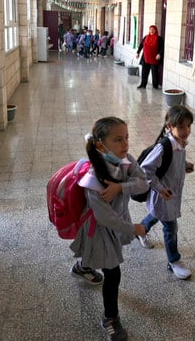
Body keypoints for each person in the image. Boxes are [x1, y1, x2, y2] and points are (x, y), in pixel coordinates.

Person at [69, 117, 149, 341]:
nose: (125, 144)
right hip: (99, 229)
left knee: (101, 258)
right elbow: (104, 218)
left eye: (126, 138)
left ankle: (82, 267)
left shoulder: (126, 160)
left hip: (116, 221)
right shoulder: (94, 178)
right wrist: (133, 228)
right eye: (118, 139)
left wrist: (119, 188)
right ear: (101, 145)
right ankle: (110, 318)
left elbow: (143, 183)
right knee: (113, 272)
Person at [137, 105, 195, 280]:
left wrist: (185, 165)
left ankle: (141, 230)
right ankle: (173, 261)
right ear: (169, 127)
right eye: (181, 126)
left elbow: (174, 161)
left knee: (156, 215)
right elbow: (145, 169)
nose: (186, 131)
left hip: (170, 194)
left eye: (189, 126)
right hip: (162, 194)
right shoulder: (164, 147)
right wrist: (160, 188)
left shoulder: (180, 143)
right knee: (170, 227)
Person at [135, 25, 164, 89]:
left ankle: (155, 85)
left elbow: (162, 48)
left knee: (154, 73)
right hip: (145, 58)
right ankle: (143, 84)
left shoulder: (159, 38)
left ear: (156, 30)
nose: (152, 30)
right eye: (150, 29)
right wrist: (138, 52)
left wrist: (159, 54)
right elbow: (141, 45)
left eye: (153, 29)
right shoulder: (146, 37)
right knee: (144, 72)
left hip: (154, 58)